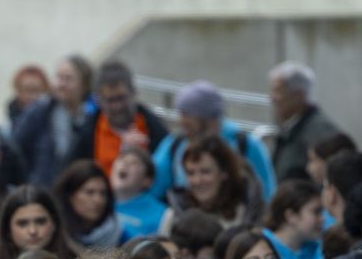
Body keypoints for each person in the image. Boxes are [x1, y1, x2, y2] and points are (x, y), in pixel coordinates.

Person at [152, 78, 276, 207]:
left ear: (211, 119)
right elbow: (153, 187)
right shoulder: (175, 144)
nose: (181, 121)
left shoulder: (246, 145)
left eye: (187, 115)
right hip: (188, 220)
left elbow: (266, 194)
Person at [70, 59, 165, 175]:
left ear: (134, 93)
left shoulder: (156, 131)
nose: (117, 107)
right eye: (110, 100)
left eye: (121, 98)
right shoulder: (86, 134)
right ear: (99, 101)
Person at [14, 54, 94, 188]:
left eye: (68, 79)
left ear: (84, 85)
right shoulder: (40, 111)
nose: (61, 84)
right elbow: (16, 148)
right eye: (59, 77)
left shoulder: (91, 117)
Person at [267, 61, 343, 184]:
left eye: (278, 91)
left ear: (298, 96)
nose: (272, 98)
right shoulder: (292, 127)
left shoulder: (320, 133)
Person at [52, 159, 123, 250]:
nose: (98, 200)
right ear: (70, 195)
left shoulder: (119, 233)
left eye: (103, 193)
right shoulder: (53, 233)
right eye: (89, 192)